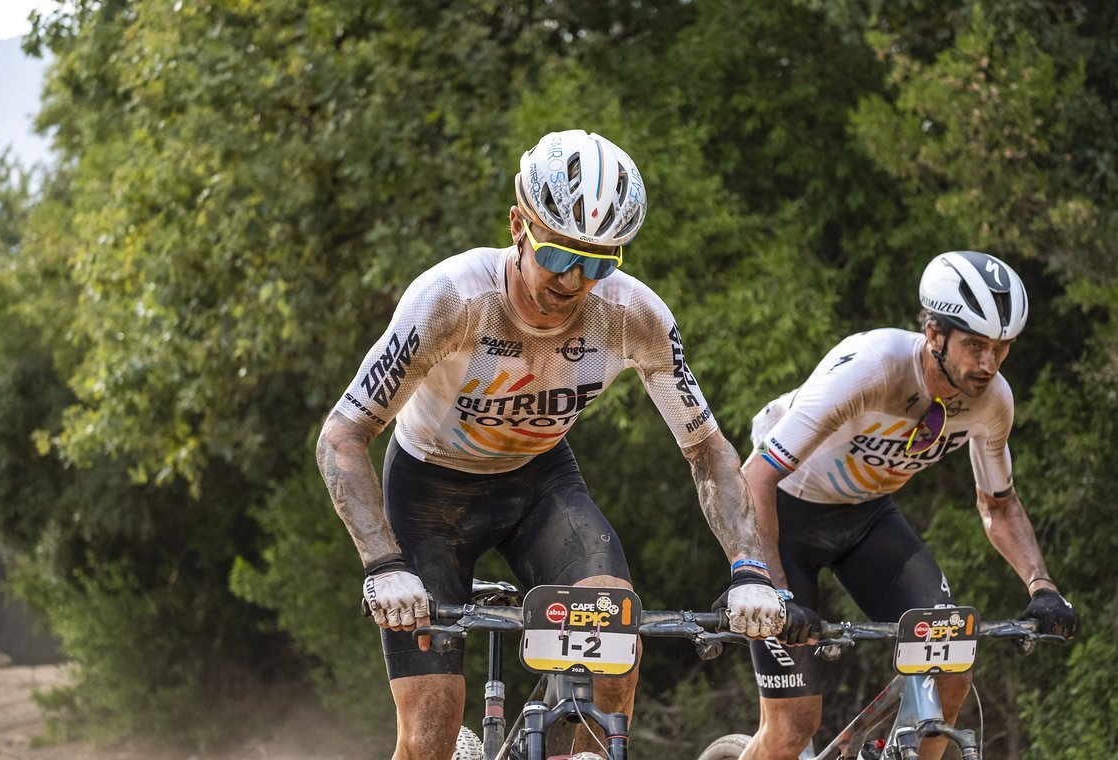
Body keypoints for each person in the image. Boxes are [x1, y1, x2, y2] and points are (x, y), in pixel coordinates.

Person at [316, 129, 786, 760]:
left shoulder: (633, 315)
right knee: (428, 733)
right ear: (518, 224)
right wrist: (382, 563)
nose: (576, 279)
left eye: (599, 263)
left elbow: (707, 449)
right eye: (561, 255)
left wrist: (748, 567)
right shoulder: (452, 299)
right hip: (430, 492)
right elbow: (343, 435)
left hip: (538, 483)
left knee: (615, 646)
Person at [738, 251, 1079, 760]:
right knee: (794, 726)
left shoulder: (991, 401)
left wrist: (1043, 587)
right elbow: (753, 479)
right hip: (784, 514)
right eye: (975, 346)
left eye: (1001, 349)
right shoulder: (871, 367)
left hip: (868, 516)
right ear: (934, 333)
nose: (988, 364)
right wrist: (775, 593)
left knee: (950, 661)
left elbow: (1000, 505)